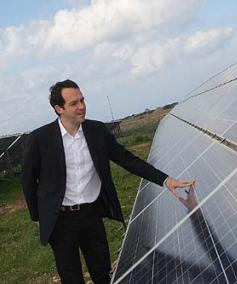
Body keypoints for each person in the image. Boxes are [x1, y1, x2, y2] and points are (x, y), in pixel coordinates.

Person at [21, 79, 194, 284]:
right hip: (60, 220)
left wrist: (165, 180)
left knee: (102, 273)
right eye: (74, 103)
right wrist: (38, 216)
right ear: (59, 108)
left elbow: (127, 159)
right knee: (71, 277)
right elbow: (28, 179)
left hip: (92, 215)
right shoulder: (40, 138)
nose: (82, 106)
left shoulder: (97, 131)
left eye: (82, 100)